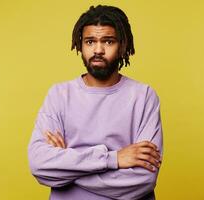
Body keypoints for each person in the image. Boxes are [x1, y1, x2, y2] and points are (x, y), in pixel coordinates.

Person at [28, 5, 163, 200]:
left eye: (108, 41)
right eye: (90, 41)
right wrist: (113, 159)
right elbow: (39, 164)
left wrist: (67, 167)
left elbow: (143, 178)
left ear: (122, 45)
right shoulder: (58, 95)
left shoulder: (144, 96)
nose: (98, 50)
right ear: (80, 45)